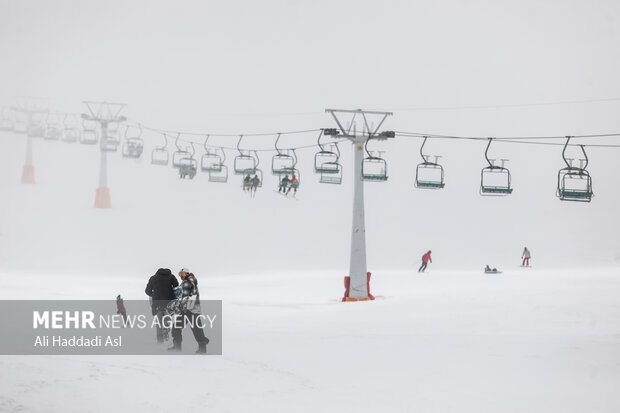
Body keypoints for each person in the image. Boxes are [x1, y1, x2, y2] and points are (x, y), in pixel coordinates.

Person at [169, 268, 209, 354]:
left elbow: (184, 297)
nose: (181, 276)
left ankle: (177, 347)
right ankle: (202, 348)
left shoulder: (187, 282)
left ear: (186, 274)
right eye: (180, 274)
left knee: (178, 327)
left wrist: (177, 306)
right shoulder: (192, 281)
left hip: (188, 309)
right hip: (193, 309)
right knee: (196, 329)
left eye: (182, 274)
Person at [145, 268, 179, 343]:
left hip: (157, 303)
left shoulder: (153, 278)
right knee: (167, 320)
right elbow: (176, 287)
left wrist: (154, 294)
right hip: (169, 303)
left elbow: (147, 291)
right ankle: (166, 335)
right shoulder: (171, 277)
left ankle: (160, 341)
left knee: (159, 323)